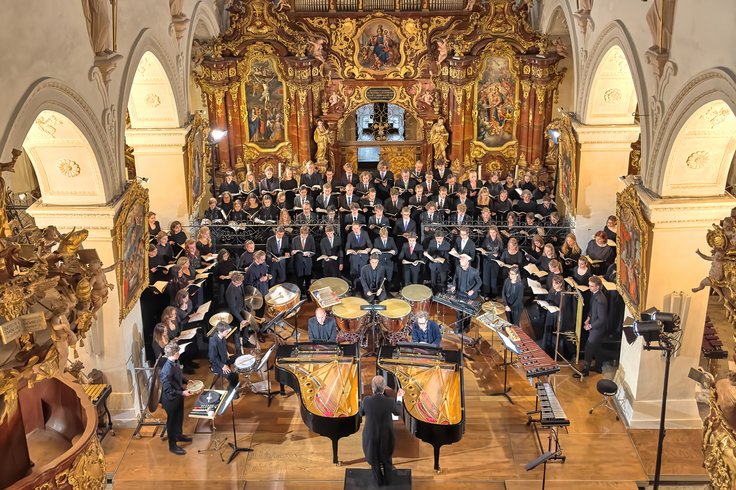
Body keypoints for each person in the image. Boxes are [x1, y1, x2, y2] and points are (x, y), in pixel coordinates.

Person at [361, 375, 404, 487]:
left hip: (371, 437)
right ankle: (388, 482)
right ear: (384, 387)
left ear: (372, 387)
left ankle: (379, 483)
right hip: (386, 436)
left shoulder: (366, 401)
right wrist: (399, 397)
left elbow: (361, 413)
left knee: (374, 463)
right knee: (387, 461)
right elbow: (398, 412)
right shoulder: (389, 402)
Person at [159, 340, 194, 455]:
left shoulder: (175, 362)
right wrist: (182, 393)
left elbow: (178, 375)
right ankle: (172, 445)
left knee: (179, 417)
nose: (179, 353)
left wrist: (186, 380)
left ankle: (178, 435)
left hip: (178, 395)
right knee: (172, 422)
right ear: (173, 354)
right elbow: (168, 390)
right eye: (178, 352)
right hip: (171, 399)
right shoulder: (166, 370)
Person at [575, 276, 608, 377]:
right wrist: (588, 318)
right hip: (593, 324)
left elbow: (602, 319)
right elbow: (592, 309)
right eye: (589, 286)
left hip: (597, 329)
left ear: (597, 287)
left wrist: (590, 326)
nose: (589, 288)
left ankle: (586, 370)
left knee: (589, 348)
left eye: (592, 286)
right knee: (597, 347)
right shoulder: (594, 294)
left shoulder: (601, 300)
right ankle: (598, 367)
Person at [451, 254, 482, 332]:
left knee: (468, 312)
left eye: (462, 259)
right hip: (460, 293)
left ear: (468, 261)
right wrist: (454, 285)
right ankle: (459, 327)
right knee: (459, 311)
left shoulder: (474, 272)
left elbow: (479, 282)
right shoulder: (458, 268)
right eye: (460, 259)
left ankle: (466, 326)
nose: (460, 260)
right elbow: (455, 277)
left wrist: (473, 290)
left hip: (469, 295)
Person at [226, 272, 252, 353]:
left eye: (241, 282)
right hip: (235, 313)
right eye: (238, 283)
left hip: (242, 309)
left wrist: (246, 308)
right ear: (233, 281)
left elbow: (242, 295)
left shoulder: (240, 283)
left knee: (247, 326)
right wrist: (241, 320)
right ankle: (238, 351)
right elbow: (233, 308)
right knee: (236, 332)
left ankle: (245, 341)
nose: (240, 284)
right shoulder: (230, 291)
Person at [209, 322, 239, 389]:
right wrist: (222, 366)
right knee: (234, 377)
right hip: (217, 365)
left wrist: (227, 353)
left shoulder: (223, 337)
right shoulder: (213, 342)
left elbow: (223, 347)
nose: (227, 333)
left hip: (225, 358)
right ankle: (230, 392)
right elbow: (212, 357)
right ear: (220, 331)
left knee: (239, 357)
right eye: (226, 331)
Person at [292, 225, 316, 297]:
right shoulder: (295, 239)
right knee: (299, 280)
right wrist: (293, 252)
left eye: (306, 234)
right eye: (303, 234)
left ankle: (308, 296)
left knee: (308, 279)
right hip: (298, 262)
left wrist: (309, 254)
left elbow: (313, 251)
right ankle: (300, 295)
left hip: (308, 262)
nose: (305, 236)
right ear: (300, 233)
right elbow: (292, 250)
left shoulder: (310, 239)